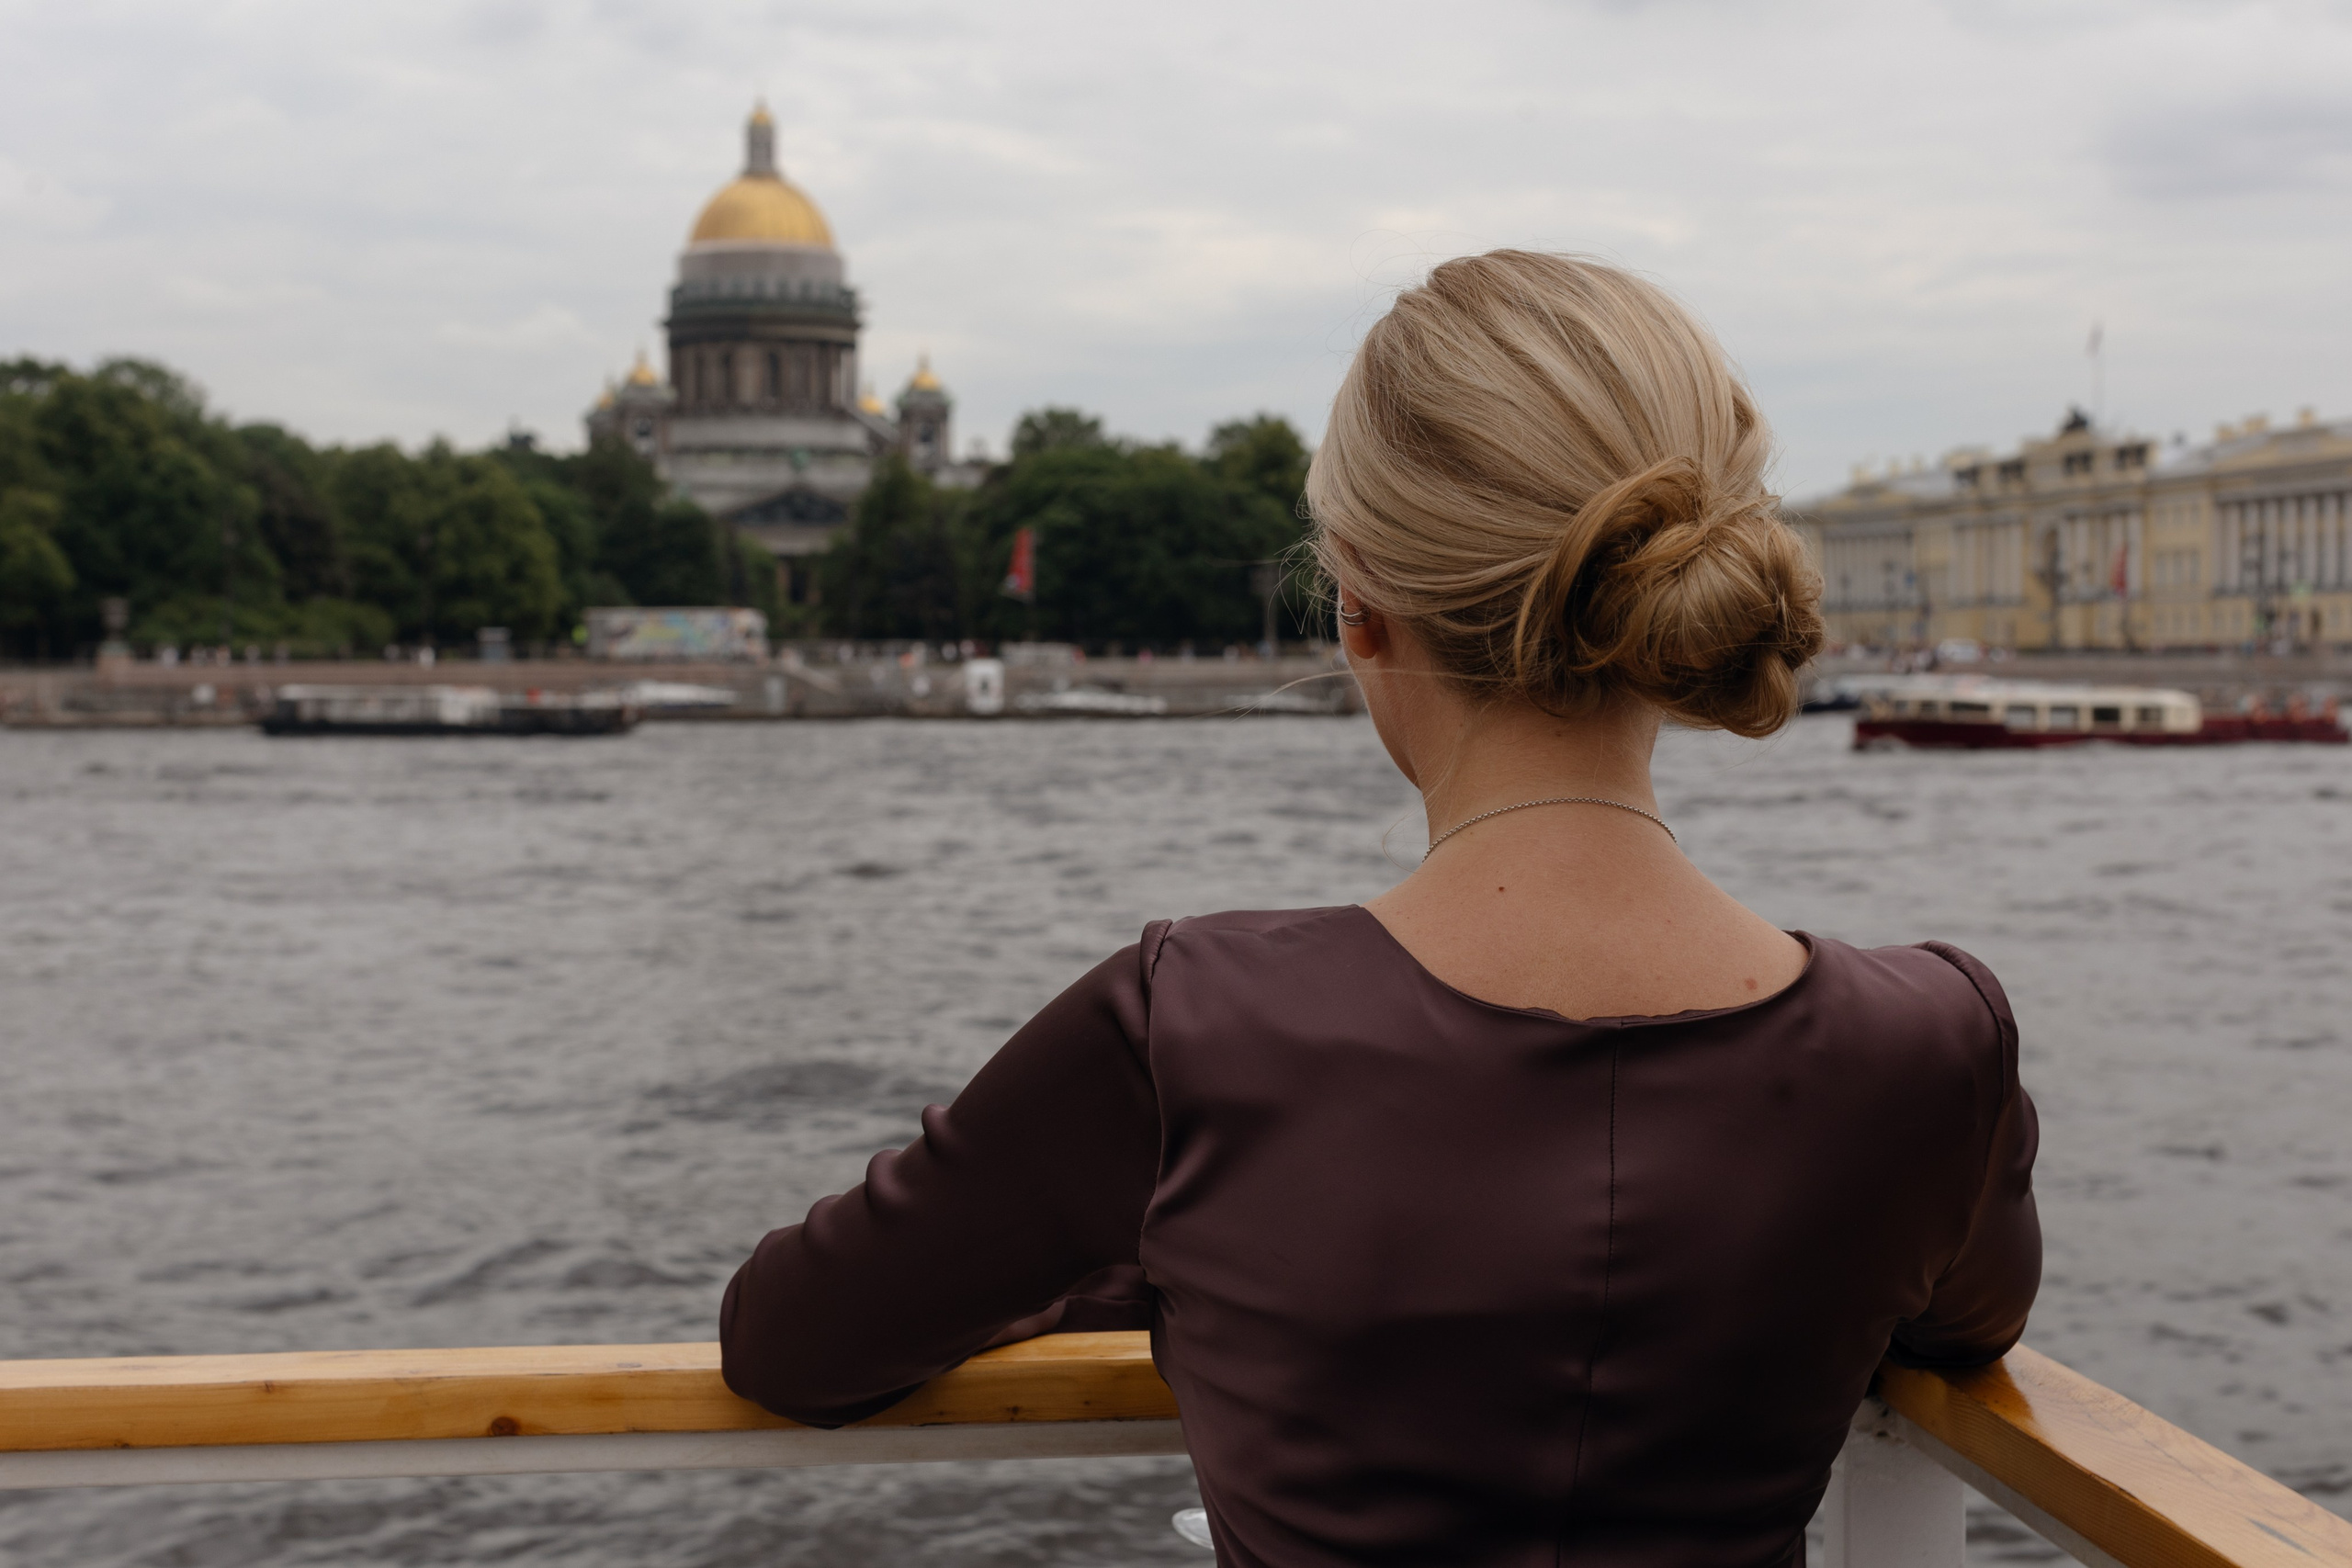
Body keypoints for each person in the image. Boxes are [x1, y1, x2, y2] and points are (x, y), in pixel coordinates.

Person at [720, 251, 2040, 1568]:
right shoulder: (1933, 1044)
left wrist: (1168, 1256)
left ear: (1357, 606)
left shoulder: (1190, 1033)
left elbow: (791, 1344)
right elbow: (1962, 1319)